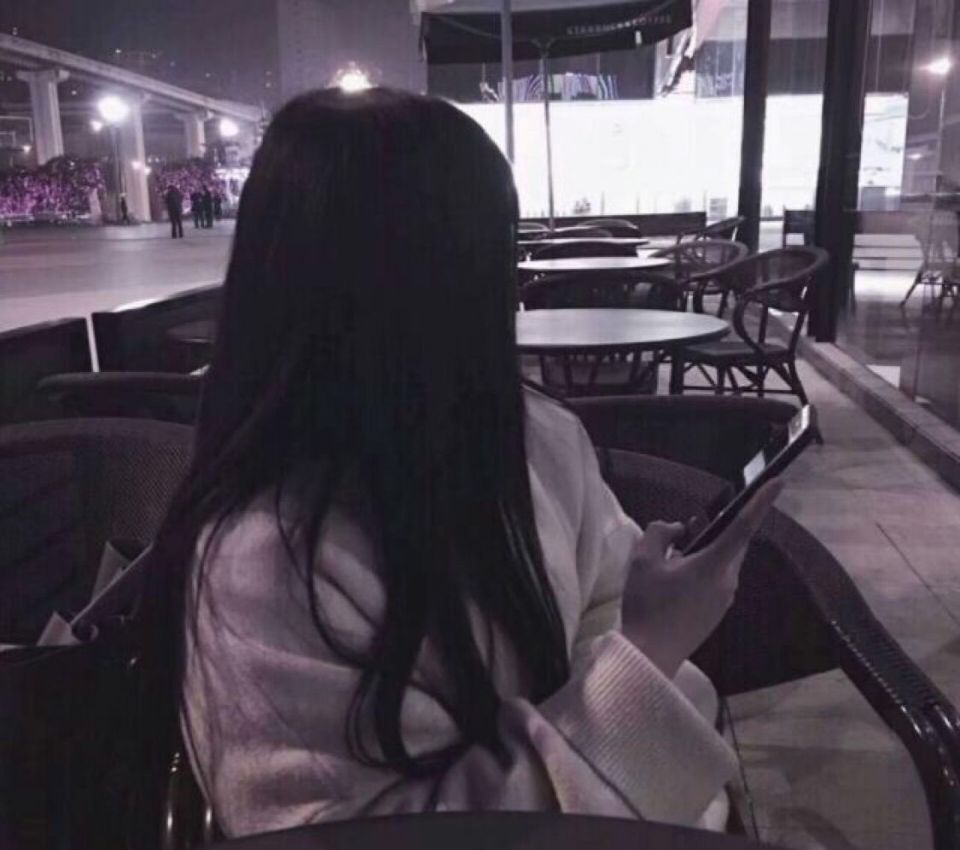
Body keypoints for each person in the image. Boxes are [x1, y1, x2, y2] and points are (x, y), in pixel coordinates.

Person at [146, 89, 781, 840]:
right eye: (491, 252)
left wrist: (640, 649)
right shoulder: (267, 560)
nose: (508, 288)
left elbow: (604, 605)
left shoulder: (535, 436)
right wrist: (650, 652)